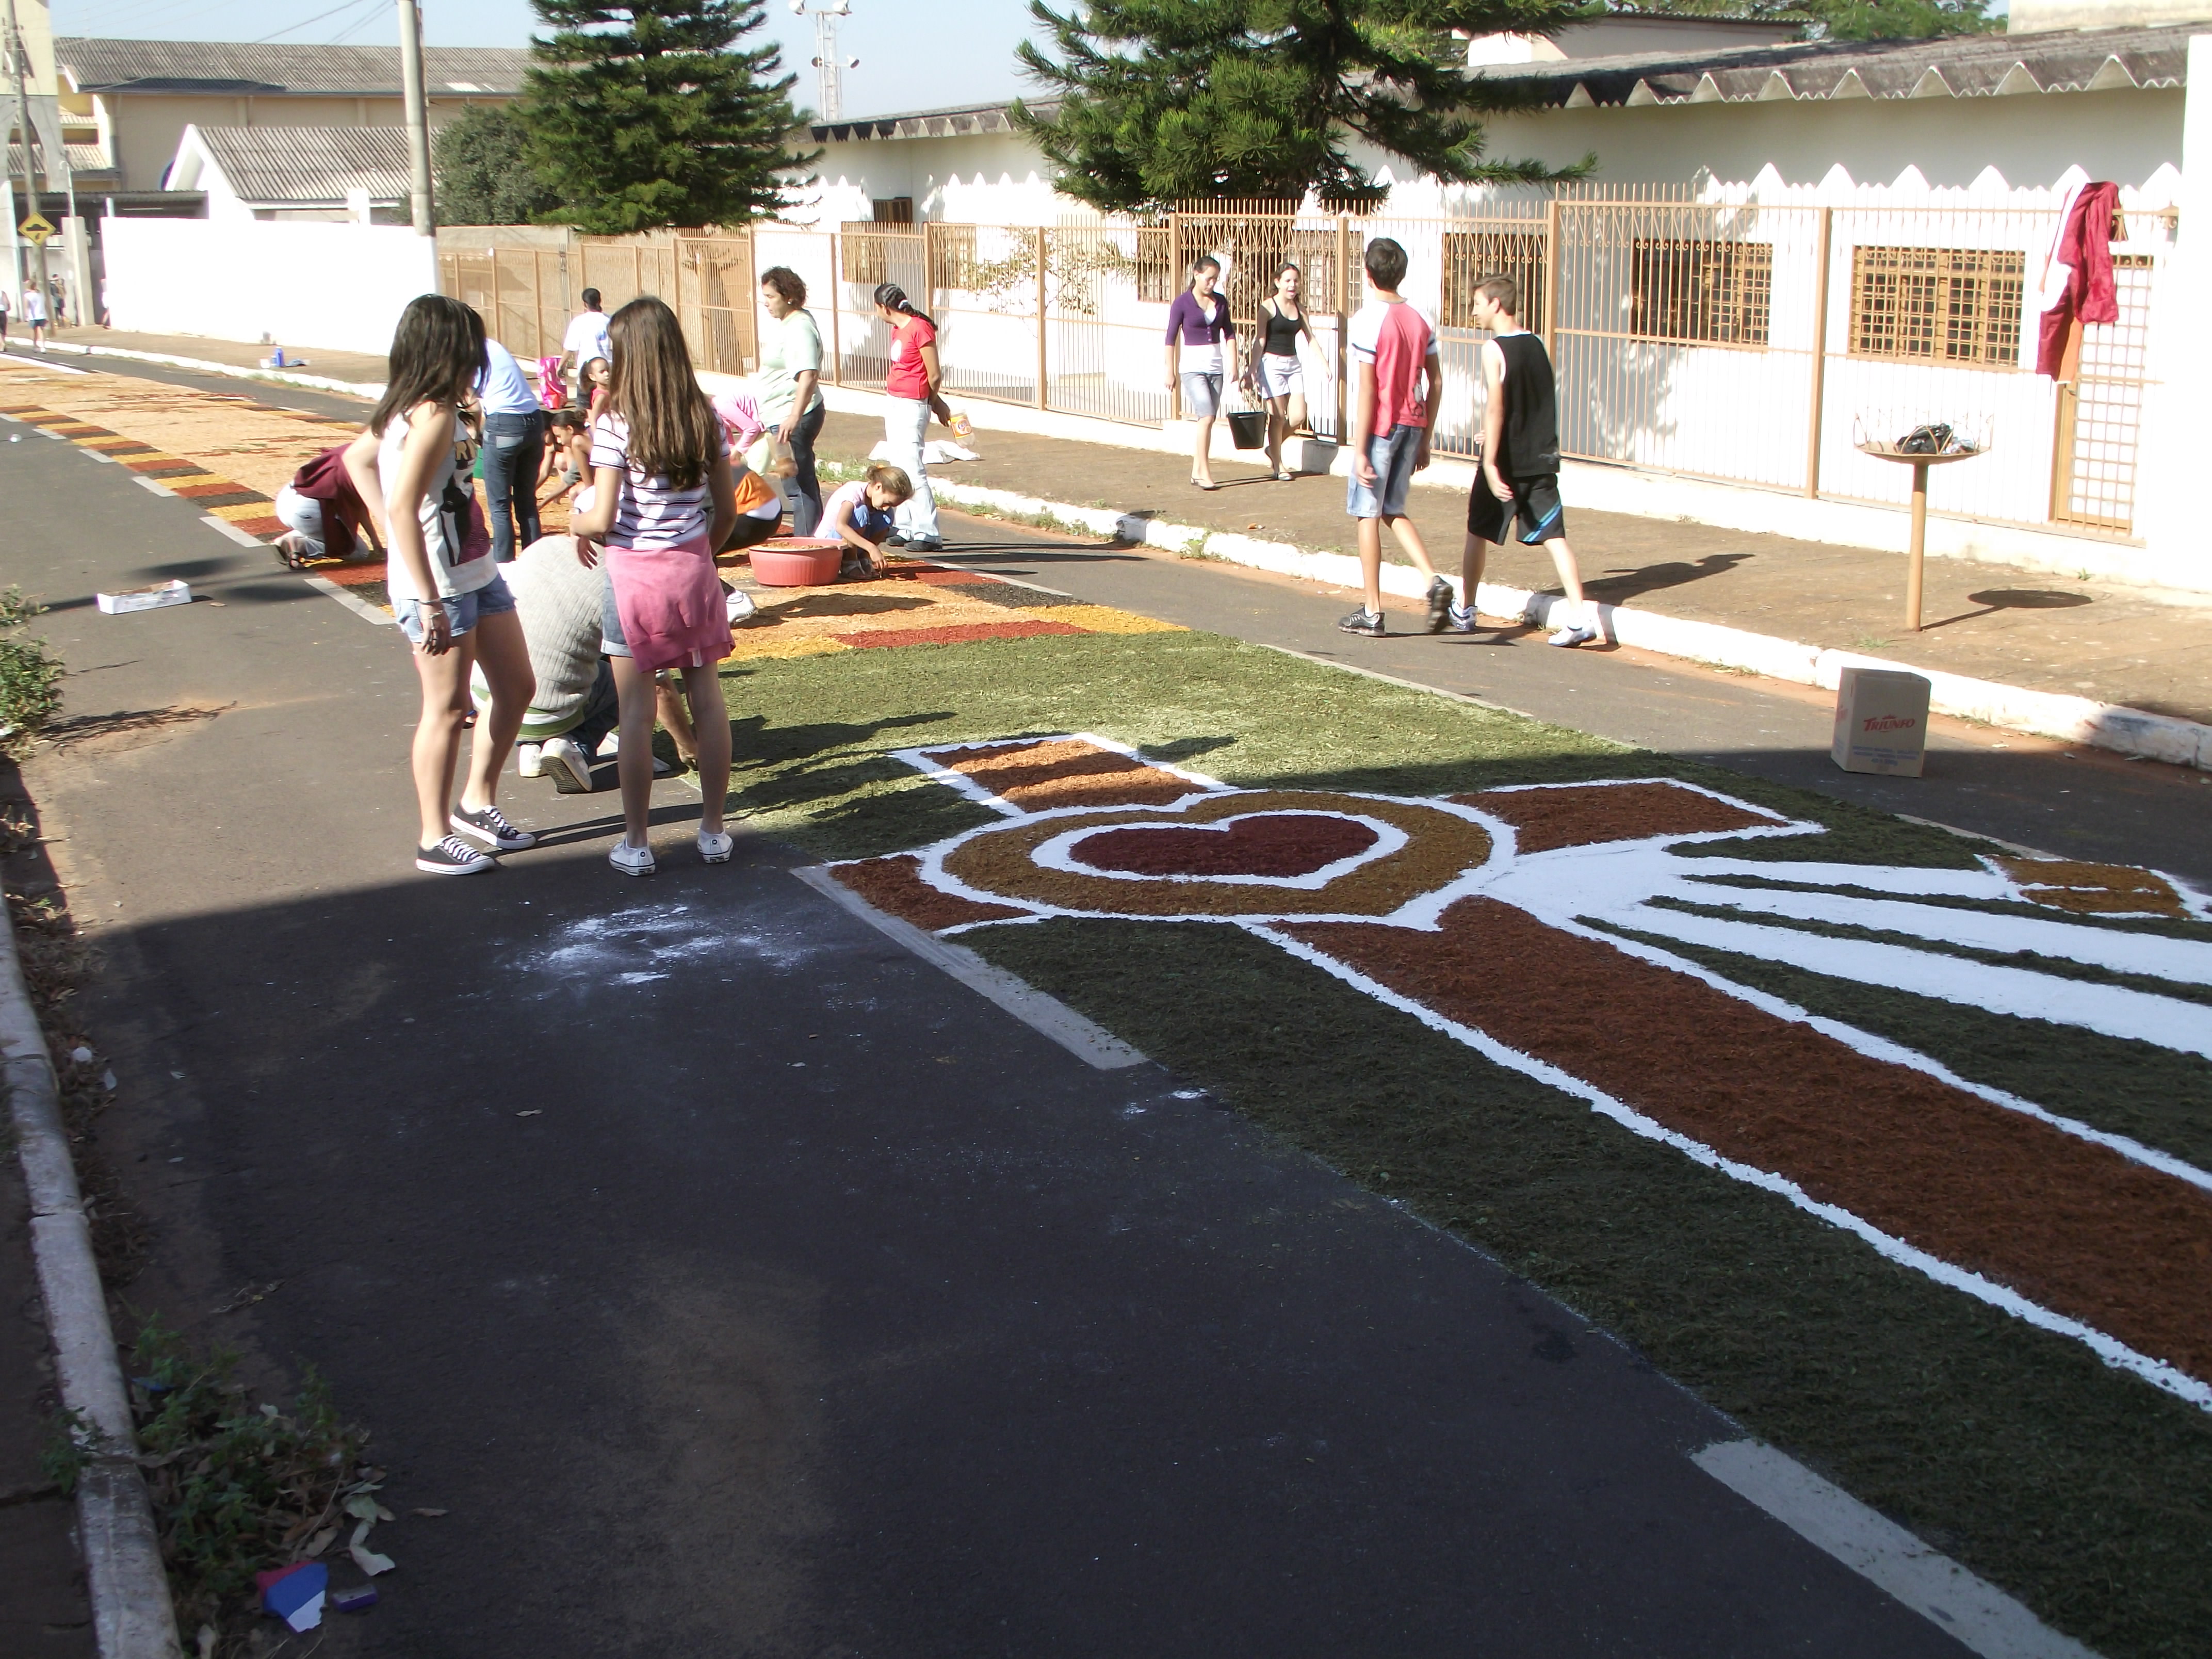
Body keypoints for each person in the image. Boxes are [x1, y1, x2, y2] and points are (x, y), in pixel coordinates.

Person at [340, 294, 538, 876]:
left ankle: (475, 802)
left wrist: (394, 529)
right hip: (439, 587)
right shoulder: (429, 415)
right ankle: (432, 836)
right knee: (447, 709)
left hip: (475, 572)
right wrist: (421, 590)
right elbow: (401, 505)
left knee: (517, 686)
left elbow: (357, 461)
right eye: (471, 345)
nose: (478, 358)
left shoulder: (424, 409)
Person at [568, 296, 737, 877]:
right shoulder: (706, 416)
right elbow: (728, 510)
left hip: (632, 578)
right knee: (708, 702)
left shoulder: (615, 423)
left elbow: (604, 512)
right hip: (692, 571)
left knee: (635, 716)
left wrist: (575, 518)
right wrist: (698, 553)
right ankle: (714, 831)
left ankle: (637, 843)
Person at [1460, 274, 1599, 647]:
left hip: (1505, 464)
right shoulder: (1537, 342)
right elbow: (1531, 403)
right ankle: (1579, 616)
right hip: (1539, 457)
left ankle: (1466, 609)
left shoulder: (1494, 348)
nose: (1473, 311)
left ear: (1496, 304)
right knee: (1555, 537)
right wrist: (1497, 434)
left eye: (1477, 303)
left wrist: (1490, 462)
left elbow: (1498, 405)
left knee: (1478, 531)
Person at [1338, 237, 1452, 639]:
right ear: (1401, 273)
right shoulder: (1421, 317)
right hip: (1413, 422)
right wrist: (1426, 437)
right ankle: (1432, 580)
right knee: (1393, 508)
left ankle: (1372, 610)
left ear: (1367, 274)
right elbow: (1435, 379)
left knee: (1367, 513)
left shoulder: (1367, 319)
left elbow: (1368, 389)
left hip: (1382, 427)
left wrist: (1359, 450)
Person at [471, 531, 622, 794]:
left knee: (536, 653)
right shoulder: (619, 578)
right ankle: (575, 744)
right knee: (625, 685)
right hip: (543, 708)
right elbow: (656, 684)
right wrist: (687, 745)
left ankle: (528, 749)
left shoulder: (542, 547)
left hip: (485, 696)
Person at [874, 282, 945, 554]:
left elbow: (934, 374)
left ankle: (928, 531)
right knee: (897, 464)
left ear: (884, 306)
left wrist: (933, 401)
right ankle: (904, 526)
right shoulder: (898, 330)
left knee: (912, 466)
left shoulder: (919, 328)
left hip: (913, 404)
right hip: (895, 401)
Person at [756, 267, 826, 535]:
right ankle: (811, 543)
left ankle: (809, 546)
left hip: (792, 419)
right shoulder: (788, 324)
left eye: (771, 296)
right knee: (794, 484)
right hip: (780, 418)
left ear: (789, 296)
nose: (766, 302)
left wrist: (794, 417)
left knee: (798, 487)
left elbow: (808, 374)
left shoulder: (800, 327)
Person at [1162, 255, 1235, 491]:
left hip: (1216, 367)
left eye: (1216, 279)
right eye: (1208, 278)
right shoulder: (1182, 303)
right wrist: (1170, 371)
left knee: (1209, 419)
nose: (1212, 284)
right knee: (1206, 416)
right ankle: (1205, 472)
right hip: (1193, 369)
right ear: (1196, 274)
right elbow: (1170, 338)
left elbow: (1230, 334)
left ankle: (1196, 471)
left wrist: (1233, 364)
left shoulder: (1221, 302)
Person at [476, 338, 546, 563]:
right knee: (526, 502)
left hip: (503, 423)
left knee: (499, 506)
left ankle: (504, 568)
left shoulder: (462, 350)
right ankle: (535, 564)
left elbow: (467, 398)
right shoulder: (494, 346)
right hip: (534, 420)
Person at [1249, 264, 1313, 482]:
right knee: (1277, 416)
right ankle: (1279, 465)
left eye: (1295, 280)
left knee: (1297, 416)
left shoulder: (1300, 308)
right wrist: (1251, 370)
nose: (1292, 285)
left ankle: (1272, 449)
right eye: (1287, 280)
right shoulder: (1267, 307)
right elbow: (1260, 340)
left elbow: (1310, 337)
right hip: (1271, 363)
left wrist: (1325, 364)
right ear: (1277, 282)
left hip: (1293, 363)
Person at [272, 445, 382, 568]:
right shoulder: (372, 461)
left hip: (287, 498)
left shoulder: (352, 448)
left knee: (321, 531)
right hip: (310, 508)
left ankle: (288, 540)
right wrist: (375, 540)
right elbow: (360, 507)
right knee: (358, 552)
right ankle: (303, 546)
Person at [822, 463, 914, 577]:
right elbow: (841, 526)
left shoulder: (879, 502)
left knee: (886, 516)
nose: (887, 507)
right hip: (829, 545)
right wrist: (871, 548)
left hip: (853, 544)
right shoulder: (852, 494)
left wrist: (869, 550)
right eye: (887, 503)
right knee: (860, 511)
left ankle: (863, 559)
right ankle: (850, 562)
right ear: (878, 487)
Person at [560, 288, 611, 398]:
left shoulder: (579, 322)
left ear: (585, 304)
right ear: (600, 301)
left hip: (587, 373)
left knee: (584, 410)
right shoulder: (611, 321)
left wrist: (561, 365)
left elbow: (570, 348)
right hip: (608, 373)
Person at [21, 279, 46, 349]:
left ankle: (35, 345)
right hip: (42, 315)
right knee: (41, 330)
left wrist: (27, 316)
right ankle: (43, 346)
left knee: (34, 331)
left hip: (33, 316)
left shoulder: (27, 295)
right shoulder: (41, 294)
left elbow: (27, 306)